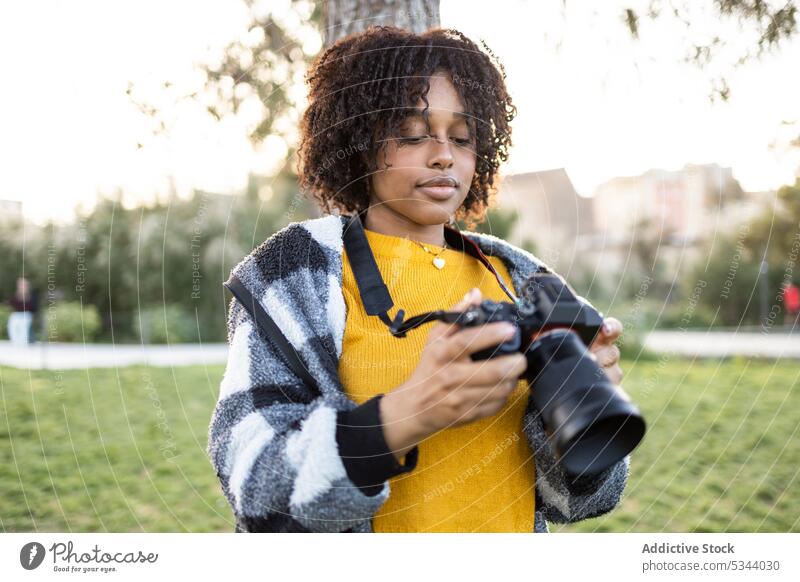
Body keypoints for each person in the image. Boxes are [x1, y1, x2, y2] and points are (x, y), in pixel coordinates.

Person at [207, 26, 629, 533]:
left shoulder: (523, 280)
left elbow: (582, 501)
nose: (443, 155)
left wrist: (583, 415)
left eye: (462, 138)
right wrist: (409, 413)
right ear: (360, 142)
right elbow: (250, 476)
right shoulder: (295, 273)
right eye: (412, 133)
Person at [8, 277, 38, 345]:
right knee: (12, 326)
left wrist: (26, 296)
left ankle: (23, 343)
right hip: (16, 315)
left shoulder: (31, 295)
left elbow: (33, 307)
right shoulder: (16, 294)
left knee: (23, 330)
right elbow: (12, 304)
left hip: (26, 315)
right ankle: (15, 343)